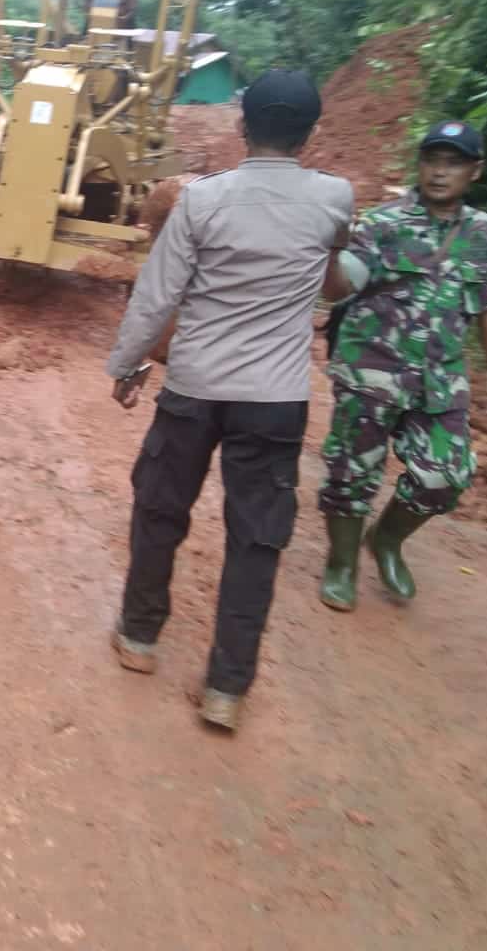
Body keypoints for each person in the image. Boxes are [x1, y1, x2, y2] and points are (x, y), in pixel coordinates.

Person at [104, 70, 354, 732]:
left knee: (160, 509)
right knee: (256, 540)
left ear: (243, 127)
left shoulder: (204, 200)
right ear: (311, 132)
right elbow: (335, 281)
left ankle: (138, 638)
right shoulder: (335, 199)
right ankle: (226, 688)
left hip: (194, 387)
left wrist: (127, 366)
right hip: (275, 399)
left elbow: (157, 294)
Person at [317, 120, 487, 612]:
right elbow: (343, 286)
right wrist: (331, 254)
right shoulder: (382, 225)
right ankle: (341, 564)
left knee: (445, 475)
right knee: (350, 474)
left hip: (439, 380)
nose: (440, 172)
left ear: (475, 171)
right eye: (432, 160)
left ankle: (385, 540)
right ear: (420, 164)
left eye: (453, 162)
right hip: (371, 371)